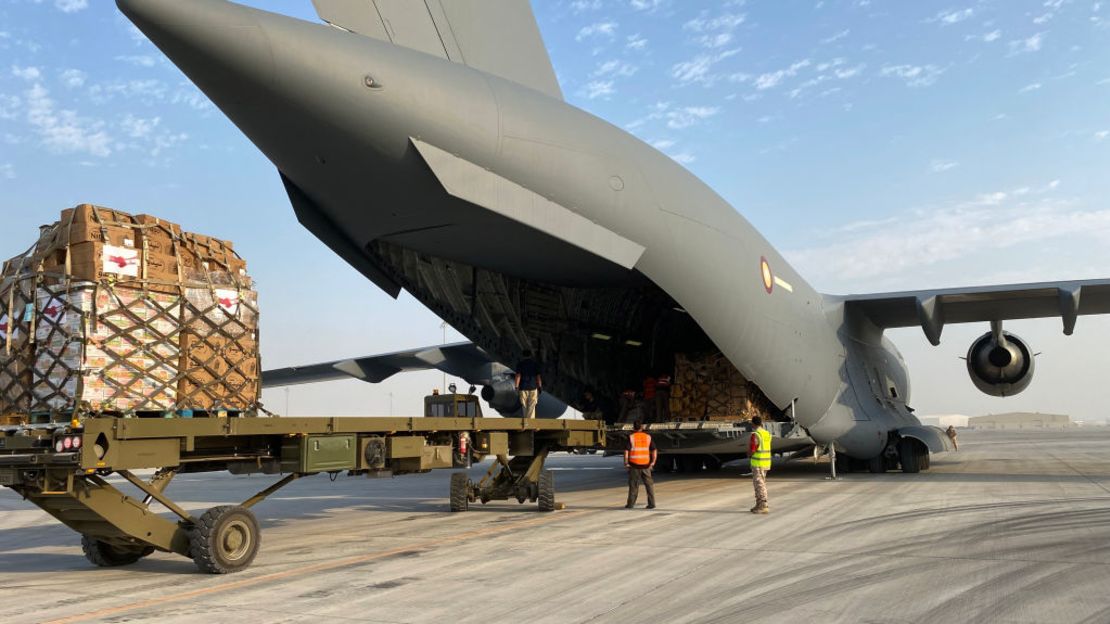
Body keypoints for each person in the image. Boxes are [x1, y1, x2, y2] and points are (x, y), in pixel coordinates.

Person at [624, 421, 657, 509]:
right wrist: (653, 462)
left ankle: (630, 504)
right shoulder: (648, 437)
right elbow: (654, 450)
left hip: (634, 465)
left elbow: (626, 451)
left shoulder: (631, 437)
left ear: (633, 428)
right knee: (649, 485)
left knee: (634, 485)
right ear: (641, 428)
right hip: (646, 465)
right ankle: (652, 504)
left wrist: (626, 463)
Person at [749, 415, 772, 514]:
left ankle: (763, 504)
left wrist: (748, 453)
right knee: (760, 483)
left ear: (753, 423)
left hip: (758, 463)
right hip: (766, 462)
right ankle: (758, 504)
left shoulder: (756, 434)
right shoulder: (766, 434)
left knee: (759, 484)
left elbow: (753, 449)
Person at [514, 349, 542, 419]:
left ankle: (526, 422)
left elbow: (518, 376)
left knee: (524, 406)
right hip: (533, 388)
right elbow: (538, 377)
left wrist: (516, 386)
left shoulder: (520, 364)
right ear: (530, 355)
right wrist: (539, 387)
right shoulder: (535, 364)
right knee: (532, 406)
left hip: (523, 388)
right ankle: (530, 423)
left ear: (523, 356)